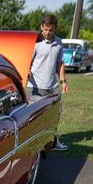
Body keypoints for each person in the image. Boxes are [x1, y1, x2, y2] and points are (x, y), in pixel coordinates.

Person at [28, 14, 69, 150]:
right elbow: (27, 62)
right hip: (35, 87)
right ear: (41, 27)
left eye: (50, 30)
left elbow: (60, 63)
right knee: (35, 118)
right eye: (45, 29)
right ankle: (34, 145)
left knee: (54, 115)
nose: (47, 32)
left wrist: (63, 82)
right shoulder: (35, 43)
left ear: (55, 28)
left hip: (52, 87)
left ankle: (53, 142)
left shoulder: (59, 43)